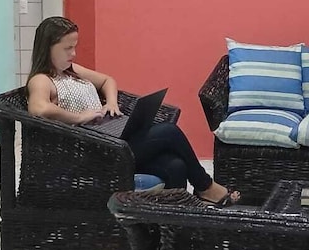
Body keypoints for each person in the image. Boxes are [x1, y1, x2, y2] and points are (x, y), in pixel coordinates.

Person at [26, 16, 240, 206]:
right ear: (48, 47)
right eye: (67, 48)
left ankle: (171, 225)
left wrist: (111, 103)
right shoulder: (42, 80)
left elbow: (107, 80)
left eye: (74, 47)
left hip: (110, 139)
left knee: (175, 166)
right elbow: (38, 108)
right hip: (95, 153)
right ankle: (205, 187)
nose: (73, 53)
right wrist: (80, 117)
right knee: (169, 132)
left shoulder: (72, 71)